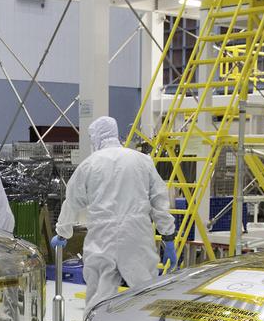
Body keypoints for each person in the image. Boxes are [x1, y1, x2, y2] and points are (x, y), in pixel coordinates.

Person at [52, 116, 176, 309]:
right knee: (144, 293)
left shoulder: (90, 164)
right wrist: (167, 235)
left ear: (96, 137)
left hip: (102, 235)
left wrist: (62, 232)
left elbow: (73, 201)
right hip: (137, 234)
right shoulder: (142, 161)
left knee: (98, 297)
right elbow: (159, 200)